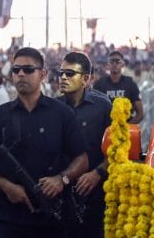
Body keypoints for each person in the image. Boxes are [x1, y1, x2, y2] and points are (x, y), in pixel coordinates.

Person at [0, 47, 88, 237]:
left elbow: (82, 159)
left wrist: (61, 179)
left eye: (28, 70)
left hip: (51, 217)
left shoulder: (61, 113)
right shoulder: (0, 116)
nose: (20, 74)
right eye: (15, 70)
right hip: (10, 216)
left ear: (42, 74)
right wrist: (7, 186)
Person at [57, 52, 111, 238]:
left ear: (86, 78)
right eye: (61, 72)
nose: (63, 77)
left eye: (70, 73)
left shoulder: (103, 106)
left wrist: (97, 173)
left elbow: (117, 150)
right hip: (61, 197)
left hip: (96, 195)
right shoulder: (53, 108)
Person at [93, 51, 144, 124]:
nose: (114, 64)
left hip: (124, 129)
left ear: (122, 64)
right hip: (105, 130)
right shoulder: (99, 84)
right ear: (108, 65)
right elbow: (93, 110)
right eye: (111, 61)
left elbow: (140, 114)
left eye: (118, 61)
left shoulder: (130, 84)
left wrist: (126, 127)